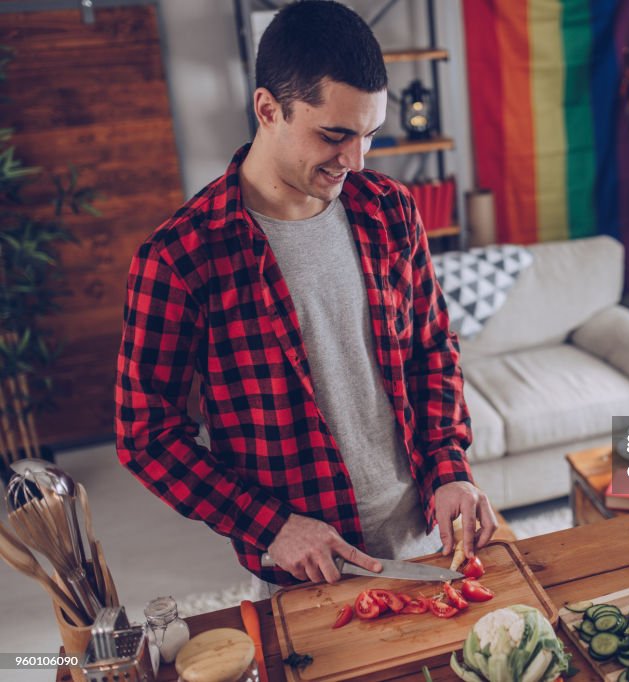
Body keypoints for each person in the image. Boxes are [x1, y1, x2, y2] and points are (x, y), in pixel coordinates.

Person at [115, 0, 497, 588]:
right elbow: (146, 436)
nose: (356, 159)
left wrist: (450, 467)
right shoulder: (180, 257)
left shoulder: (390, 209)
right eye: (334, 135)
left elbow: (431, 348)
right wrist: (270, 526)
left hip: (424, 541)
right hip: (303, 568)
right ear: (267, 108)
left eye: (369, 134)